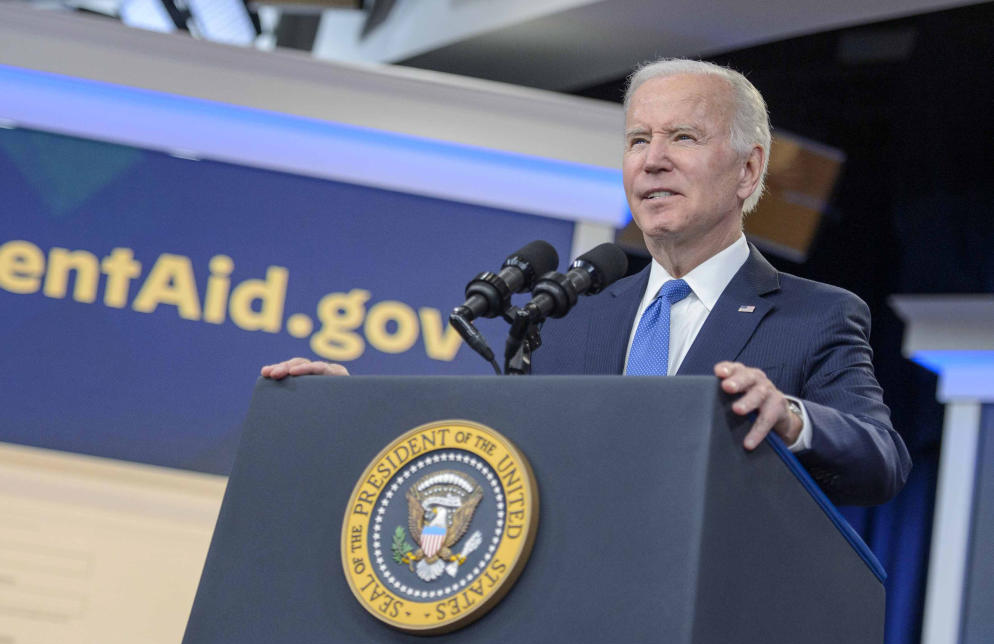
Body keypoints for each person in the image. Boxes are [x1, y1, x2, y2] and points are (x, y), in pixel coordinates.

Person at [262, 58, 910, 507]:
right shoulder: (571, 316)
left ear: (748, 171)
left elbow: (881, 459)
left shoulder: (815, 317)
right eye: (637, 139)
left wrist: (792, 419)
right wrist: (347, 414)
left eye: (682, 136)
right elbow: (490, 451)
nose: (652, 158)